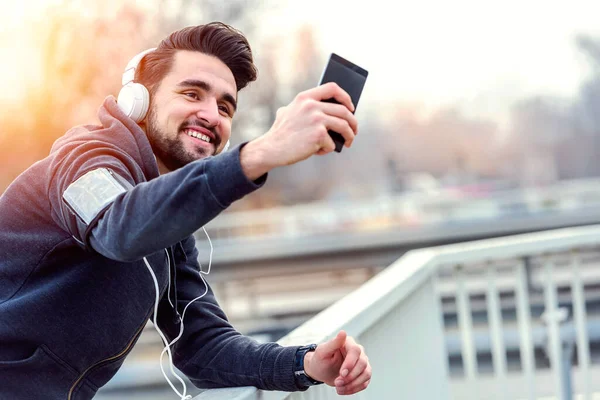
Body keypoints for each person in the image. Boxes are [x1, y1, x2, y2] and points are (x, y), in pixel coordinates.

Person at [0, 22, 371, 400]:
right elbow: (118, 228)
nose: (212, 115)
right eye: (192, 94)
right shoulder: (84, 160)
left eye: (224, 107)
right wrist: (261, 152)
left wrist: (305, 364)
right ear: (139, 102)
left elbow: (202, 346)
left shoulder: (167, 224)